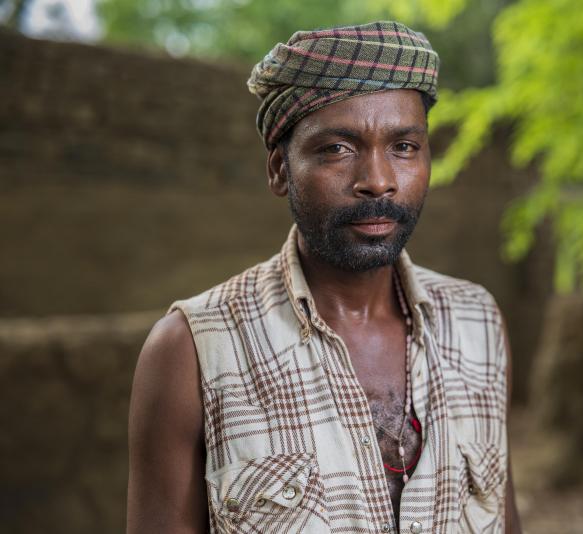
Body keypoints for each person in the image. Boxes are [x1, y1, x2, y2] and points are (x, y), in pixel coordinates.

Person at [127, 21, 521, 534]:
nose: (378, 180)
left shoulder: (478, 324)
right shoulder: (193, 352)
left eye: (404, 146)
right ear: (279, 169)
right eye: (337, 148)